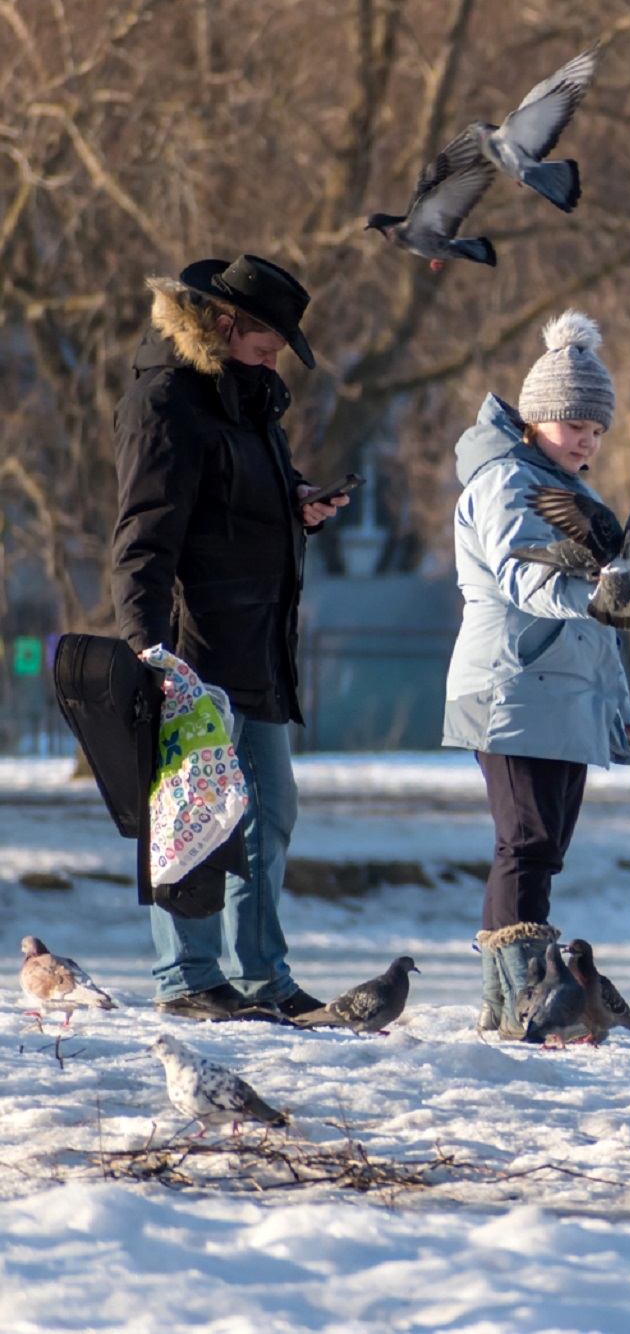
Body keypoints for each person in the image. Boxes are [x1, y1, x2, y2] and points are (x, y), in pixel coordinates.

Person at [111, 254, 347, 1023]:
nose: (276, 352)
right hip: (197, 650)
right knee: (193, 818)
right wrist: (151, 652)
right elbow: (144, 539)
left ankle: (259, 979)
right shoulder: (167, 402)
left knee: (268, 816)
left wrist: (297, 499)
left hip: (260, 647)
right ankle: (187, 977)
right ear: (222, 323)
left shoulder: (247, 401)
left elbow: (237, 494)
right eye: (269, 338)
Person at [442, 310, 630, 1038]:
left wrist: (614, 700)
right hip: (513, 685)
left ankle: (515, 1004)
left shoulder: (567, 485)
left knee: (544, 850)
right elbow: (516, 574)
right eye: (574, 427)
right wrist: (593, 592)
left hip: (563, 694)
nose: (587, 441)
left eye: (596, 430)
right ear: (535, 420)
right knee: (526, 844)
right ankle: (523, 1004)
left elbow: (600, 620)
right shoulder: (506, 480)